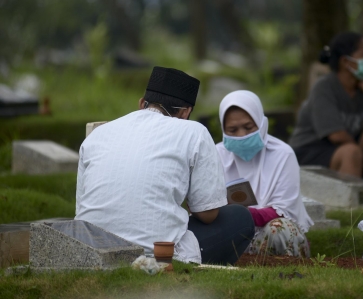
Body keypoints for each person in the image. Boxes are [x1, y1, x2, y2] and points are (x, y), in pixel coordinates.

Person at [76, 66, 255, 265]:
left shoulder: (97, 135)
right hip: (156, 253)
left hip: (89, 249)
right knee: (240, 218)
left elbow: (81, 209)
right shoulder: (194, 132)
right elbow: (207, 214)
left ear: (142, 103)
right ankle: (194, 276)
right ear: (186, 113)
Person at [216, 90, 313, 257]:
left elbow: (283, 209)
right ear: (223, 130)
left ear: (261, 123)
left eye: (248, 127)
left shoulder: (283, 154)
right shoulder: (215, 155)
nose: (241, 135)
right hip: (230, 233)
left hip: (269, 232)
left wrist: (240, 214)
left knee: (280, 229)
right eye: (232, 130)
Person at [289, 31, 363, 182]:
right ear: (346, 61)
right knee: (351, 153)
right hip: (311, 153)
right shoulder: (324, 87)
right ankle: (349, 204)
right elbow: (336, 135)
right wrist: (361, 154)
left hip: (348, 148)